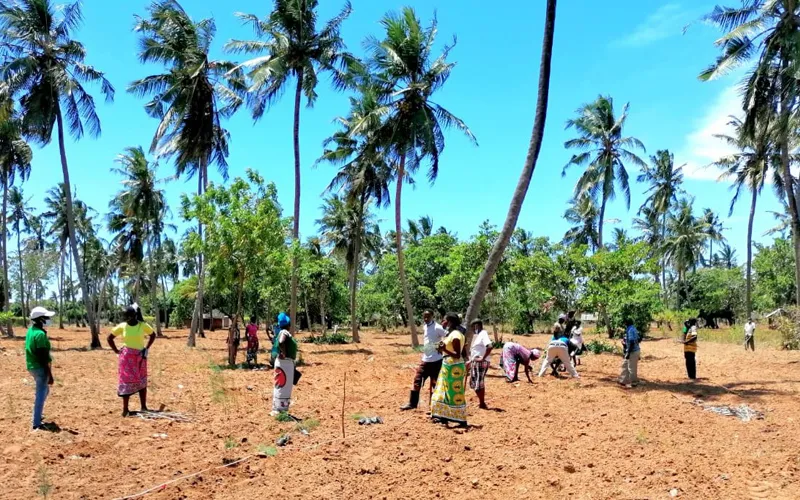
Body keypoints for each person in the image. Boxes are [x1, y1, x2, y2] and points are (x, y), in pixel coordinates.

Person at [108, 305, 156, 416]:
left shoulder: (142, 325)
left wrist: (146, 348)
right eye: (126, 317)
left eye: (129, 316)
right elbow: (109, 338)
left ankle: (144, 407)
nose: (128, 319)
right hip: (126, 358)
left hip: (140, 357)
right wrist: (116, 350)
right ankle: (125, 410)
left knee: (142, 381)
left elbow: (153, 335)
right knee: (125, 382)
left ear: (135, 315)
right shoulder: (122, 326)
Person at [400, 310, 447, 411]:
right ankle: (412, 403)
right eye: (424, 317)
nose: (426, 319)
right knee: (417, 380)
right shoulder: (425, 326)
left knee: (436, 384)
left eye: (428, 317)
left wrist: (441, 346)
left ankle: (435, 407)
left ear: (432, 316)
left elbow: (448, 336)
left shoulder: (438, 327)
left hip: (436, 361)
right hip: (425, 360)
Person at [430, 313, 468, 426]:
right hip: (448, 366)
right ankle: (443, 416)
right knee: (444, 392)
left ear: (450, 322)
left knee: (453, 393)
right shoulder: (452, 334)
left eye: (444, 320)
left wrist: (444, 349)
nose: (442, 323)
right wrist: (441, 349)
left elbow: (457, 354)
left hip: (453, 367)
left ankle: (460, 418)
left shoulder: (456, 334)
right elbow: (463, 353)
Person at [25, 306, 56, 430]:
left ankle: (37, 415)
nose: (48, 319)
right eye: (46, 317)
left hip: (32, 366)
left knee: (44, 391)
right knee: (41, 393)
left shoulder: (31, 331)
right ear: (40, 319)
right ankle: (36, 423)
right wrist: (50, 374)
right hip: (39, 368)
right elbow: (43, 356)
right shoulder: (40, 335)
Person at [272, 312, 299, 415]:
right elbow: (281, 342)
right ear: (288, 324)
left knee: (281, 385)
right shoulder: (284, 332)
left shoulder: (282, 332)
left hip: (284, 364)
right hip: (285, 364)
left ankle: (278, 409)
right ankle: (280, 410)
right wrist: (284, 353)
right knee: (283, 386)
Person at [466, 319, 493, 410]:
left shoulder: (483, 334)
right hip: (476, 361)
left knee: (478, 383)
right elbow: (476, 351)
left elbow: (489, 346)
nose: (473, 330)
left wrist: (483, 358)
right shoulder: (478, 336)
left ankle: (482, 403)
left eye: (473, 327)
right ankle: (482, 402)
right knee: (474, 383)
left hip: (481, 362)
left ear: (477, 326)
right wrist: (470, 361)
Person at [618, 319, 640, 388]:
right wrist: (626, 344)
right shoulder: (633, 328)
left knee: (631, 368)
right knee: (625, 365)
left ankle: (634, 383)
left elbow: (632, 342)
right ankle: (622, 381)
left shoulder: (630, 330)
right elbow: (639, 338)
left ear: (626, 323)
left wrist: (628, 353)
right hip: (633, 350)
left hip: (632, 351)